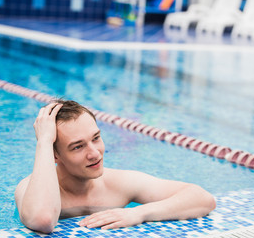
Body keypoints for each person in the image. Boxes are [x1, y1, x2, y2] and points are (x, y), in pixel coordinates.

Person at [15, 100, 216, 234]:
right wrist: (44, 141)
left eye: (96, 138)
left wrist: (137, 213)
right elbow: (43, 220)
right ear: (55, 154)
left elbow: (202, 198)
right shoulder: (28, 188)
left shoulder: (118, 184)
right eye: (78, 146)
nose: (94, 153)